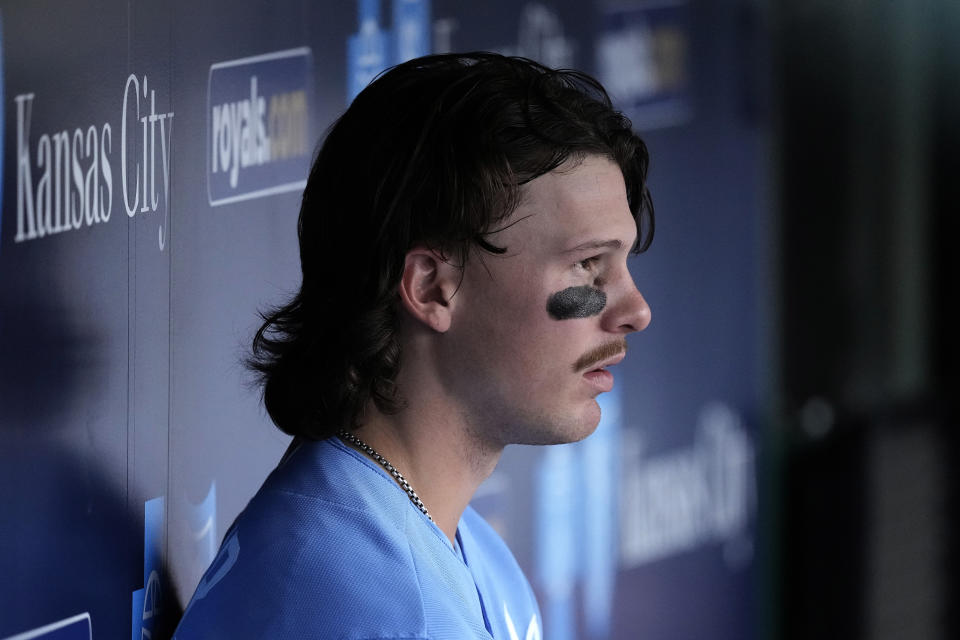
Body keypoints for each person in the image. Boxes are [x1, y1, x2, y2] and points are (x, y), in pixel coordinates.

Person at [174, 52, 653, 639]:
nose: (635, 311)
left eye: (622, 264)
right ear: (431, 286)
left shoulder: (455, 547)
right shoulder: (368, 603)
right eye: (586, 266)